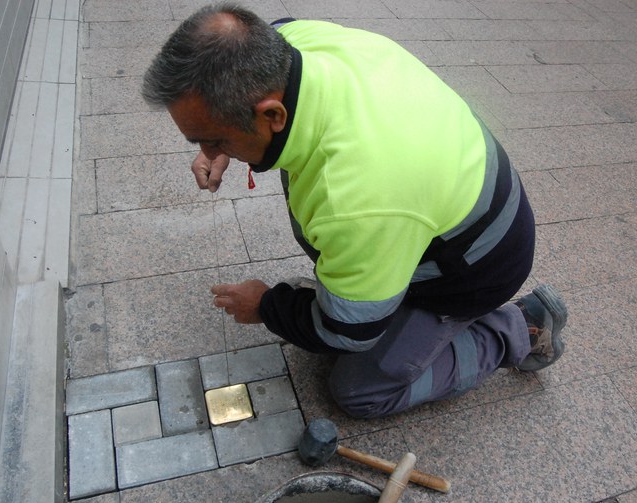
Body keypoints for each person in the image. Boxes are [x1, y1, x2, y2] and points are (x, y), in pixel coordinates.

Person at [142, 3, 567, 419]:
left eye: (213, 140)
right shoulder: (290, 43)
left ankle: (518, 329)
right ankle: (375, 288)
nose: (207, 153)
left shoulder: (358, 198)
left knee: (358, 391)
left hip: (474, 271)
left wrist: (268, 306)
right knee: (347, 251)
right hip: (459, 205)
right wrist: (225, 145)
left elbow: (347, 332)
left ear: (271, 114)